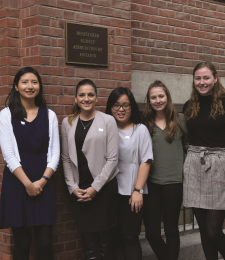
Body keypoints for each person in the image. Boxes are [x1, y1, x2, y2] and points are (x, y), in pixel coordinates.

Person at [182, 61, 225, 260]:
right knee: (204, 231)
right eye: (198, 78)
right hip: (194, 164)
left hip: (220, 164)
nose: (202, 82)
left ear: (215, 79)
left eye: (206, 77)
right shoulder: (189, 106)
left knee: (212, 230)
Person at [0, 67, 60, 260]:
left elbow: (55, 153)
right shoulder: (6, 115)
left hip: (44, 183)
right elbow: (8, 155)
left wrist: (41, 181)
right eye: (24, 82)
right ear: (16, 86)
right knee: (22, 243)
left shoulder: (49, 115)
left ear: (39, 86)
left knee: (44, 244)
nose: (30, 86)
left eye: (34, 82)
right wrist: (27, 184)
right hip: (18, 184)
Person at [61, 79, 119, 260]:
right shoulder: (67, 122)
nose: (86, 98)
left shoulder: (108, 120)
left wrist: (95, 188)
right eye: (82, 95)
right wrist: (72, 187)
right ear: (76, 98)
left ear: (96, 97)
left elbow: (112, 160)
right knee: (88, 243)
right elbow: (65, 158)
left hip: (103, 188)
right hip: (80, 190)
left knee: (105, 242)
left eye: (90, 95)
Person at [105, 87, 153, 260]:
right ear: (110, 107)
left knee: (130, 237)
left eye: (126, 105)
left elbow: (146, 161)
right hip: (109, 192)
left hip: (133, 193)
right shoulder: (106, 129)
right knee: (115, 237)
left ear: (132, 107)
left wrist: (138, 190)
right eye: (116, 105)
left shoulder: (140, 130)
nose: (121, 109)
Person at [142, 80, 188, 260]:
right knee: (151, 233)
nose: (157, 100)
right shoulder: (144, 124)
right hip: (151, 183)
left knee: (171, 229)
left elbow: (188, 146)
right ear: (149, 100)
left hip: (174, 182)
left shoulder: (181, 120)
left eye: (161, 96)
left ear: (167, 97)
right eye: (153, 97)